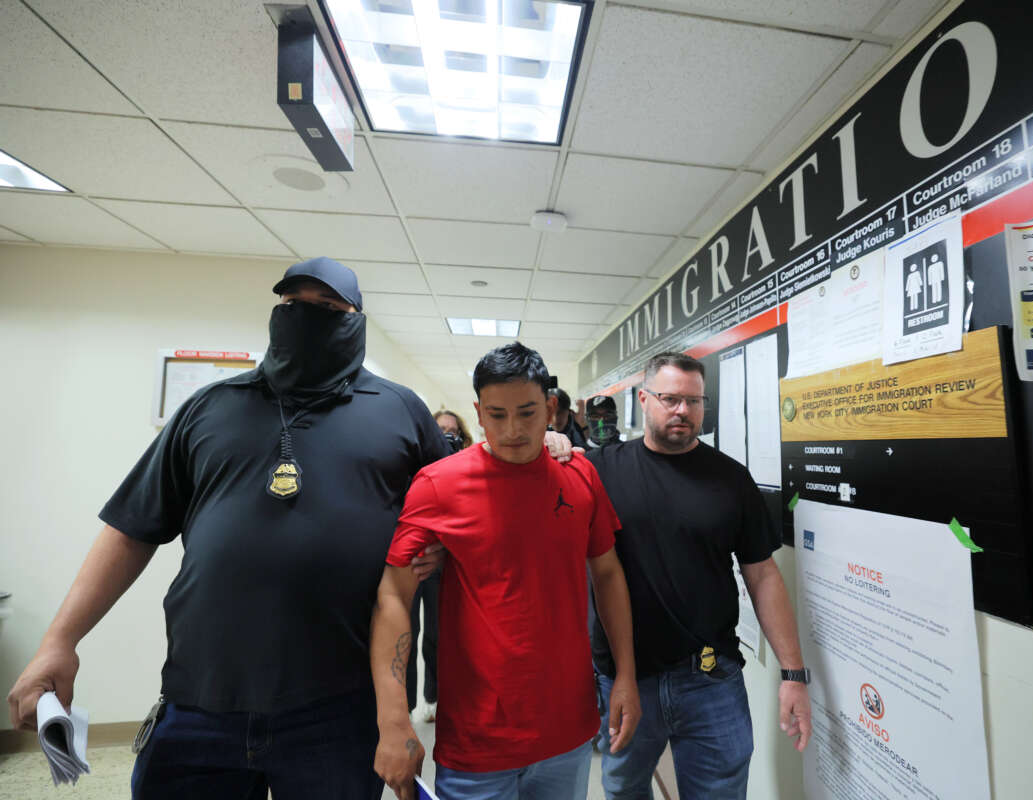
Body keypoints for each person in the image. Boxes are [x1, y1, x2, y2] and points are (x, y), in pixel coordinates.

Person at [4, 258, 574, 799]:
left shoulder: (399, 411)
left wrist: (540, 448)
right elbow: (131, 529)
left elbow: (471, 503)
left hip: (336, 705)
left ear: (356, 322)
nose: (306, 313)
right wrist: (60, 641)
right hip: (202, 700)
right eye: (293, 302)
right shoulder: (210, 408)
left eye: (327, 306)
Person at [370, 342, 642, 800]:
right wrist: (394, 721)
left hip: (567, 731)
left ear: (551, 409)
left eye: (527, 413)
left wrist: (626, 677)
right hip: (478, 743)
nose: (512, 429)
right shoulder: (440, 484)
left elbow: (609, 574)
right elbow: (393, 595)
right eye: (496, 415)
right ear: (478, 411)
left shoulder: (579, 475)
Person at [586, 351, 813, 800]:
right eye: (670, 399)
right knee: (624, 789)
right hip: (627, 677)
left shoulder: (731, 479)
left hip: (711, 678)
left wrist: (793, 673)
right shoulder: (601, 471)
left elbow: (763, 576)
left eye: (693, 401)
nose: (682, 411)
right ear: (645, 399)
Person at [404, 409, 473, 723]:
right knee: (406, 630)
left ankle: (435, 696)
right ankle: (404, 704)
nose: (447, 435)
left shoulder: (468, 469)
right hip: (410, 560)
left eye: (453, 430)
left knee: (438, 632)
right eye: (440, 429)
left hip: (447, 560)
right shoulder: (409, 465)